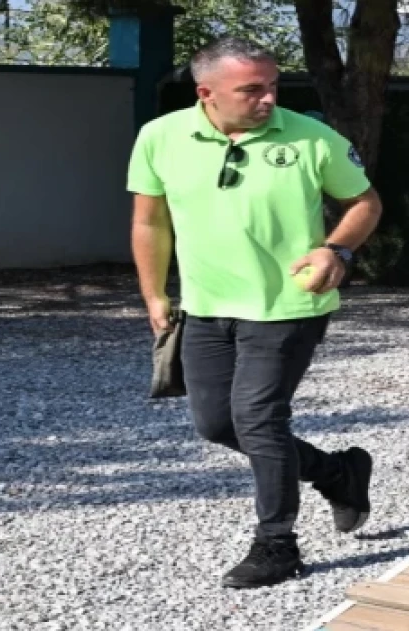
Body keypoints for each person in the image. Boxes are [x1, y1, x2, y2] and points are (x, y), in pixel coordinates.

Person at [127, 35, 384, 589]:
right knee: (216, 423)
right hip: (205, 306)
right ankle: (337, 472)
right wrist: (154, 294)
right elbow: (150, 222)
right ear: (206, 92)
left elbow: (365, 203)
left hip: (289, 304)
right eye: (252, 90)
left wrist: (336, 249)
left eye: (272, 85)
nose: (268, 98)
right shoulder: (160, 137)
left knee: (259, 418)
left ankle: (277, 544)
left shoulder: (312, 138)